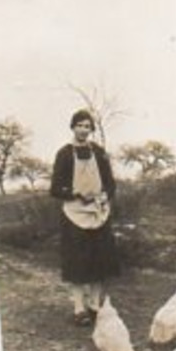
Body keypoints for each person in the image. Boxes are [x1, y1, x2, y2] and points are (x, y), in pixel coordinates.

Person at [50, 109, 120, 323]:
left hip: (98, 213)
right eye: (79, 125)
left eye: (87, 126)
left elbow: (110, 182)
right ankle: (79, 309)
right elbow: (54, 189)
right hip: (74, 215)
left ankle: (94, 305)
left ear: (91, 129)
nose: (83, 129)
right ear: (72, 127)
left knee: (99, 262)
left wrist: (104, 196)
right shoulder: (64, 154)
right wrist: (75, 195)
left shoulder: (99, 152)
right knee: (77, 263)